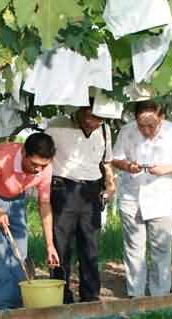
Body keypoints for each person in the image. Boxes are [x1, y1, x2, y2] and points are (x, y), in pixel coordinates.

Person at [112, 100, 172, 297]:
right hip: (131, 196)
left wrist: (166, 168)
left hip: (161, 199)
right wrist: (129, 166)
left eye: (151, 125)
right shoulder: (127, 131)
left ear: (162, 118)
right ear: (135, 119)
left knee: (161, 250)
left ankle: (159, 294)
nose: (146, 130)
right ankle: (135, 294)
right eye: (141, 125)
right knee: (133, 249)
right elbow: (116, 158)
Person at [0, 132, 59, 310]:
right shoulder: (2, 159)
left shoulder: (45, 169)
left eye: (43, 166)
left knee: (19, 254)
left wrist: (50, 245)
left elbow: (44, 204)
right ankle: (2, 308)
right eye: (34, 164)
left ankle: (19, 304)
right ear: (24, 152)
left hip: (17, 200)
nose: (38, 170)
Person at [46, 106, 116, 303]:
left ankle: (90, 295)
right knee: (61, 246)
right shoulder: (55, 126)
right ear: (80, 109)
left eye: (98, 119)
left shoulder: (104, 130)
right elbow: (45, 158)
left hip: (91, 191)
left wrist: (110, 185)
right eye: (89, 116)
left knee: (90, 245)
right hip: (63, 189)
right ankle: (60, 296)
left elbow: (107, 161)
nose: (92, 123)